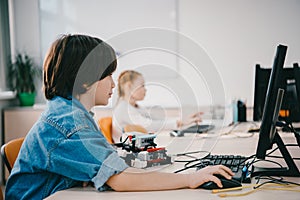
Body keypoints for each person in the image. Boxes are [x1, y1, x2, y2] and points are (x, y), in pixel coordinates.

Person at [5, 34, 233, 199]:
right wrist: (190, 179)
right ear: (85, 80)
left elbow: (107, 163)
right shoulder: (68, 124)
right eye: (108, 76)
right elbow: (121, 180)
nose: (114, 84)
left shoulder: (72, 113)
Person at [112, 70, 202, 142]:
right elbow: (148, 125)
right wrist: (180, 122)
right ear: (129, 86)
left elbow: (156, 120)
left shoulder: (135, 107)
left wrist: (182, 120)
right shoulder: (123, 108)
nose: (145, 89)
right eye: (142, 86)